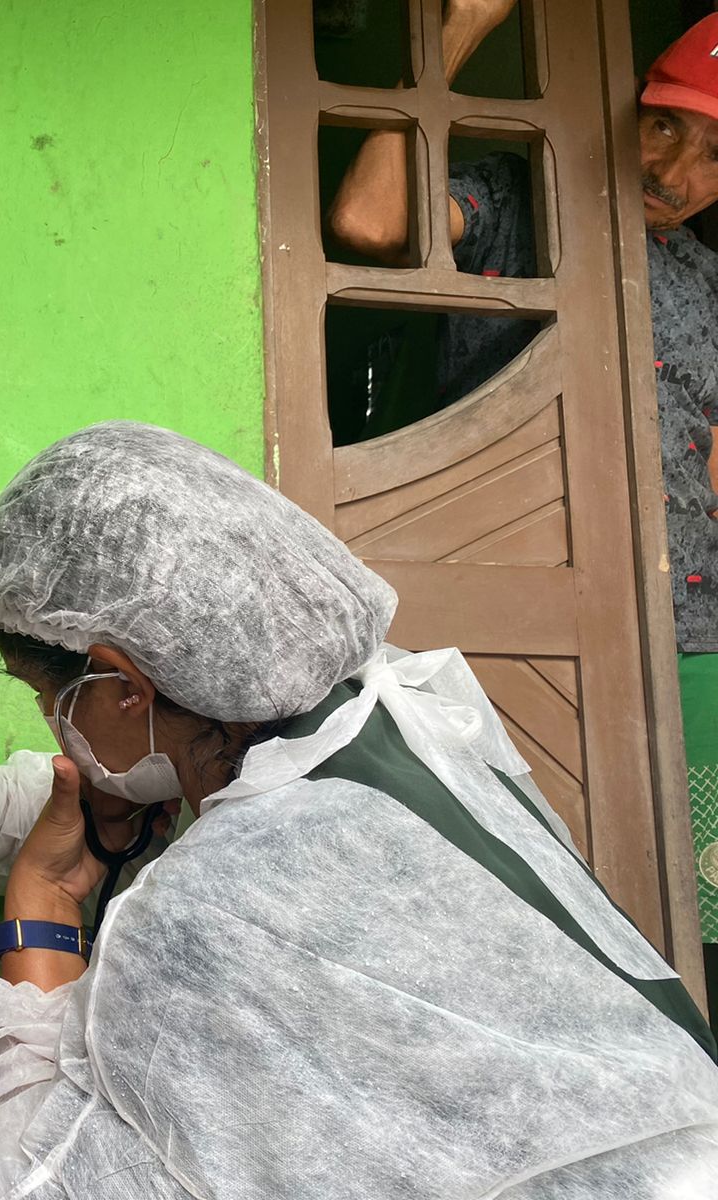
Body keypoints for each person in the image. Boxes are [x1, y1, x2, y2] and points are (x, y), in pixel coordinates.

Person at [0, 420, 718, 1197]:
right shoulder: (389, 709)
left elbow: (24, 1180)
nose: (52, 731)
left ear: (123, 684)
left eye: (47, 696)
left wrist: (37, 926)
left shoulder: (208, 918)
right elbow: (99, 801)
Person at [328, 0, 718, 999]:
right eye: (664, 126)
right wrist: (456, 33)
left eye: (715, 155)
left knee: (695, 919)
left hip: (695, 640)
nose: (675, 171)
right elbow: (367, 222)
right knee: (519, 916)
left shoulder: (707, 281)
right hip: (529, 615)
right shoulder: (516, 197)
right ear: (626, 105)